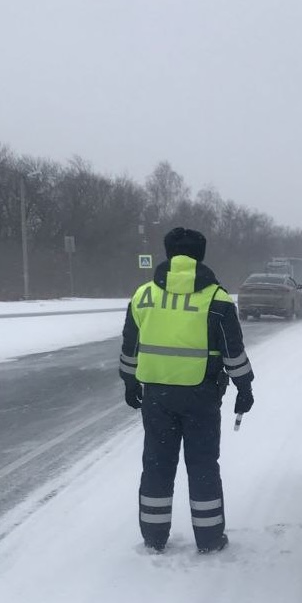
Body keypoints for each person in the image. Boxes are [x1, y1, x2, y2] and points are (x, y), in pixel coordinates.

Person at [118, 227, 254, 553]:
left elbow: (130, 346)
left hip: (157, 396)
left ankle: (153, 537)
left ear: (167, 254)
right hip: (201, 397)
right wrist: (244, 387)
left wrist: (129, 380)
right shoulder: (217, 299)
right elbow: (232, 352)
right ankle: (209, 539)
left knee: (157, 465)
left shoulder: (143, 295)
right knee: (203, 466)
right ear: (201, 256)